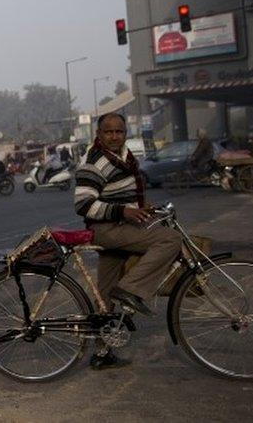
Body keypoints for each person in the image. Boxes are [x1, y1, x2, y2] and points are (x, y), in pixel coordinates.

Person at [74, 112, 184, 370]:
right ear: (98, 134)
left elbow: (125, 195)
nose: (114, 136)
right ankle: (131, 289)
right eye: (109, 132)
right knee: (170, 239)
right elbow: (83, 204)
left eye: (119, 131)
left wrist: (143, 208)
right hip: (108, 229)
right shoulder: (94, 160)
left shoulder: (125, 156)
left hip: (124, 226)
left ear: (126, 133)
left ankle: (102, 353)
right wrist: (124, 211)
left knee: (105, 296)